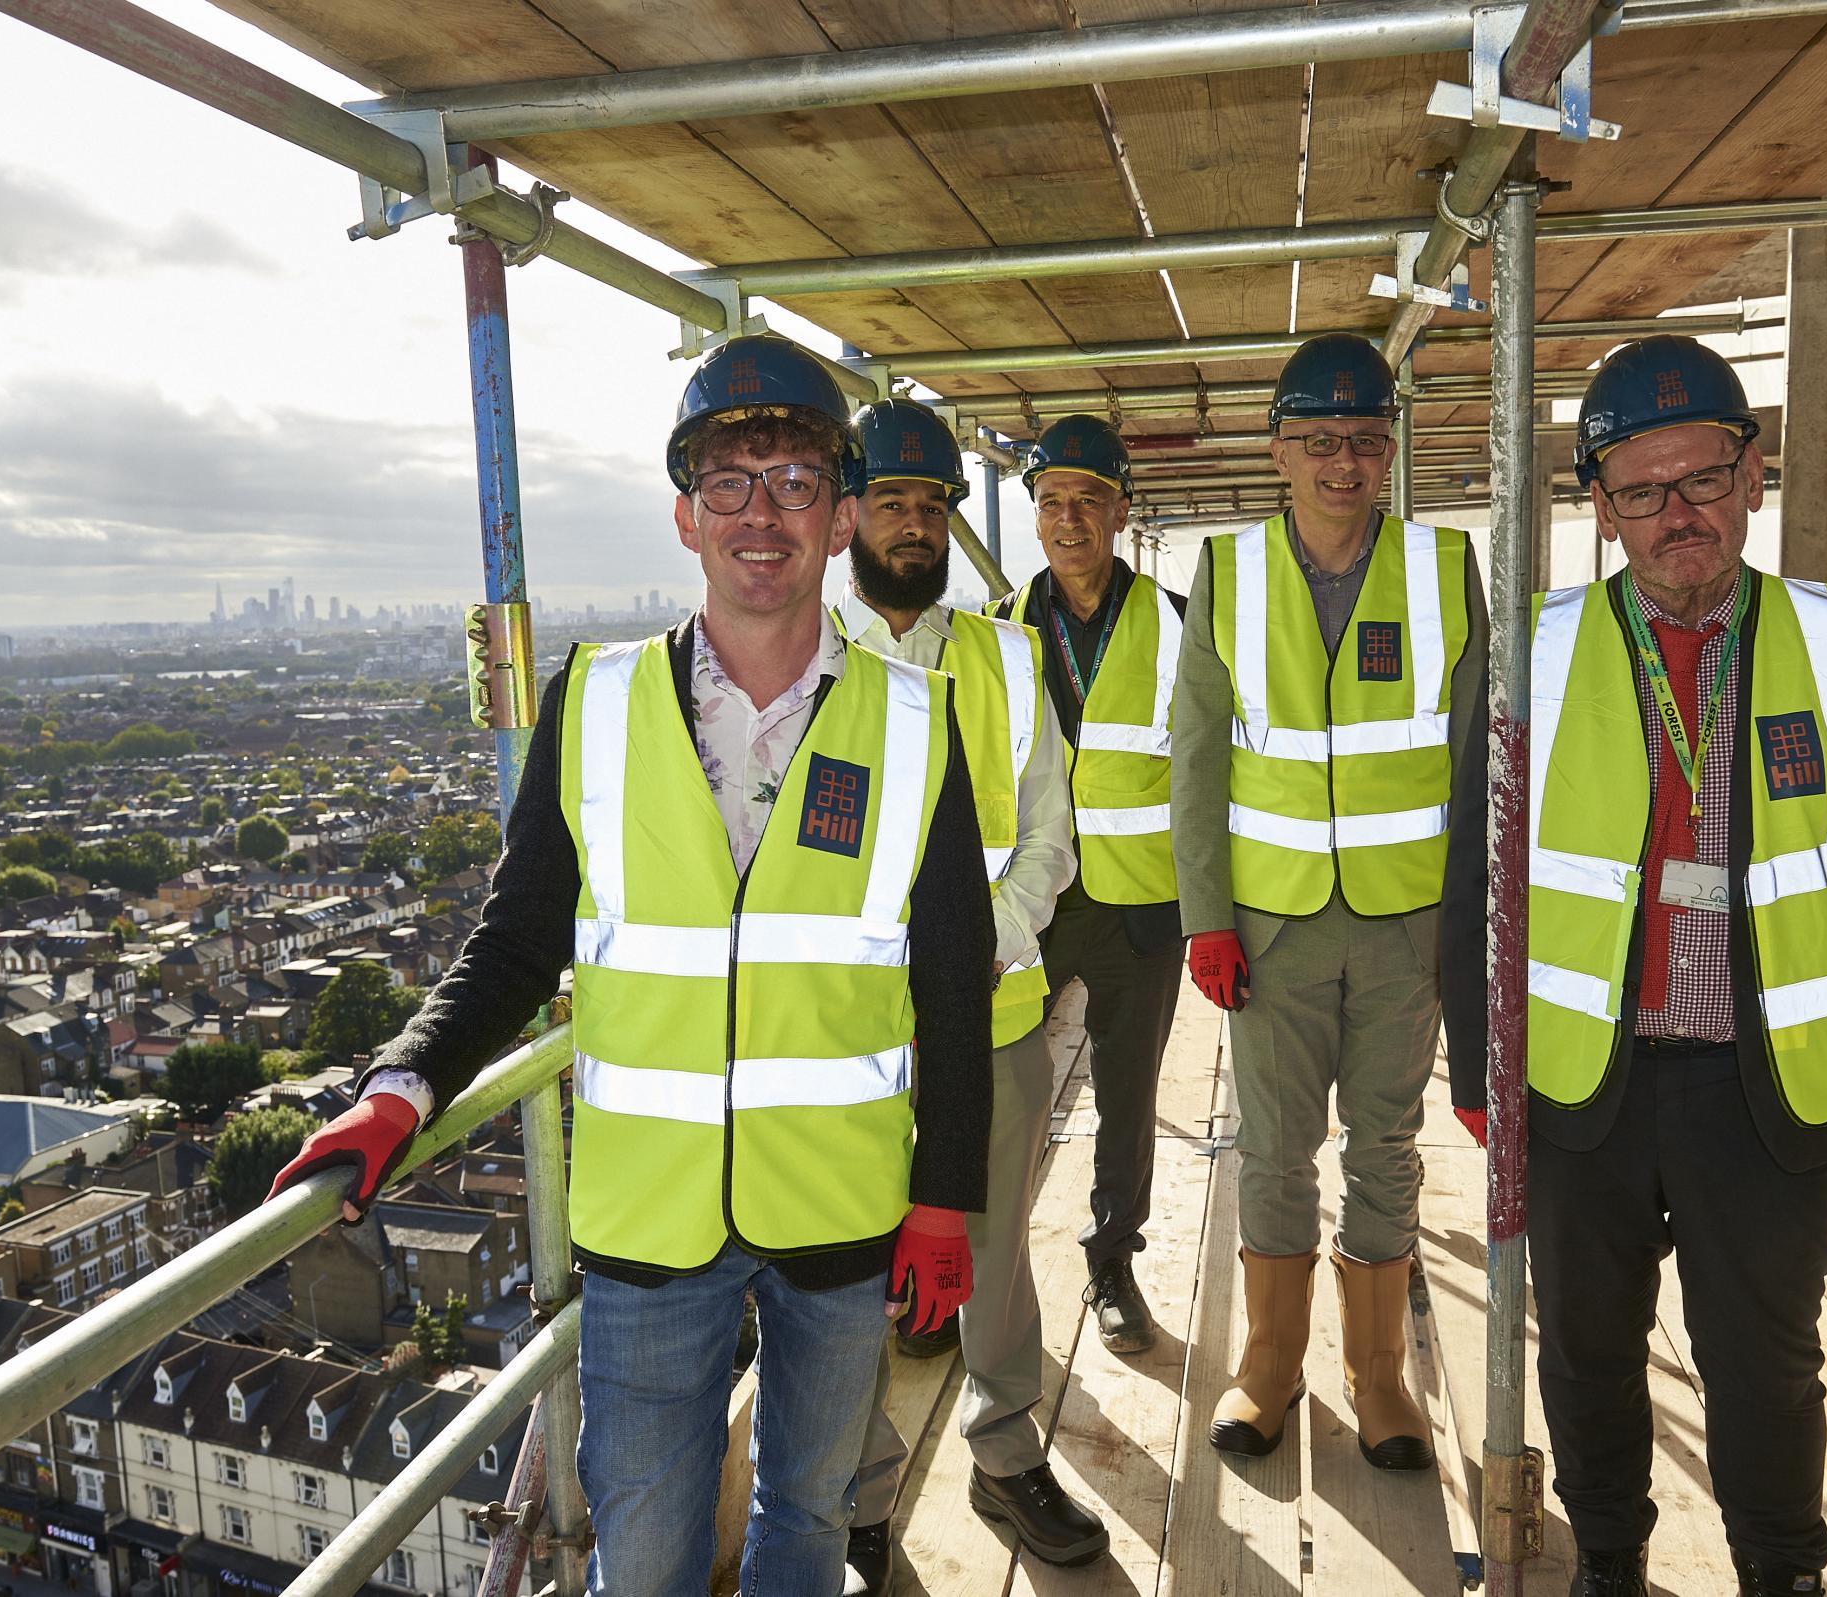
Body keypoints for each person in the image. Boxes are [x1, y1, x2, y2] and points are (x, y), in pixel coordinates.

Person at [269, 333, 997, 1597]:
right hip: (649, 1226)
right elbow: (515, 939)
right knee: (645, 1556)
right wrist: (403, 1086)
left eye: (795, 481)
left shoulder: (917, 724)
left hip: (841, 1208)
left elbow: (952, 978)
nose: (760, 513)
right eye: (730, 480)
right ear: (683, 513)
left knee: (808, 1525)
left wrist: (946, 1198)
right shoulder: (594, 702)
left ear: (839, 520)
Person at [1440, 336, 1827, 1597]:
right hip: (1580, 1080)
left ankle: (1782, 1570)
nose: (1682, 513)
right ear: (1601, 506)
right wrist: (1476, 1064)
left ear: (1753, 474)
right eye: (1644, 489)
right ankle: (1611, 1557)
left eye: (1706, 477)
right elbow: (1475, 877)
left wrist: (1778, 927)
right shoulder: (1525, 655)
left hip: (1760, 1081)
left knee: (1763, 1358)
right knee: (1589, 1351)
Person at [1169, 332, 1487, 1468]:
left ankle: (1380, 1376)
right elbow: (1197, 757)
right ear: (1278, 450)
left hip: (1406, 927)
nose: (1341, 464)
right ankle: (1267, 1369)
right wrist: (1205, 914)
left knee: (1386, 1145)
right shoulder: (1230, 572)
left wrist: (1470, 934)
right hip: (1274, 925)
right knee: (1274, 1148)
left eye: (1362, 441)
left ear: (1389, 450)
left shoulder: (1448, 570)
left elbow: (1471, 765)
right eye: (1317, 441)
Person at [838, 397, 1102, 1589]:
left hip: (993, 1016)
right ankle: (856, 1492)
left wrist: (983, 939)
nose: (913, 522)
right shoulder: (807, 654)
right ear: (849, 512)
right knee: (842, 1266)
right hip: (841, 1040)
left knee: (993, 1262)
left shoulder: (1002, 653)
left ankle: (1003, 1454)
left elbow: (1051, 830)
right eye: (891, 499)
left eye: (932, 503)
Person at [989, 414, 1187, 1356]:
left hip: (1142, 909)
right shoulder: (994, 640)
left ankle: (1112, 1260)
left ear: (1119, 510)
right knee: (1003, 1094)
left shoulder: (1182, 623)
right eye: (1051, 501)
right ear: (1033, 515)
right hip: (1034, 907)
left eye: (1089, 500)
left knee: (1126, 1092)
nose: (1070, 518)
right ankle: (985, 1278)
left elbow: (1210, 771)